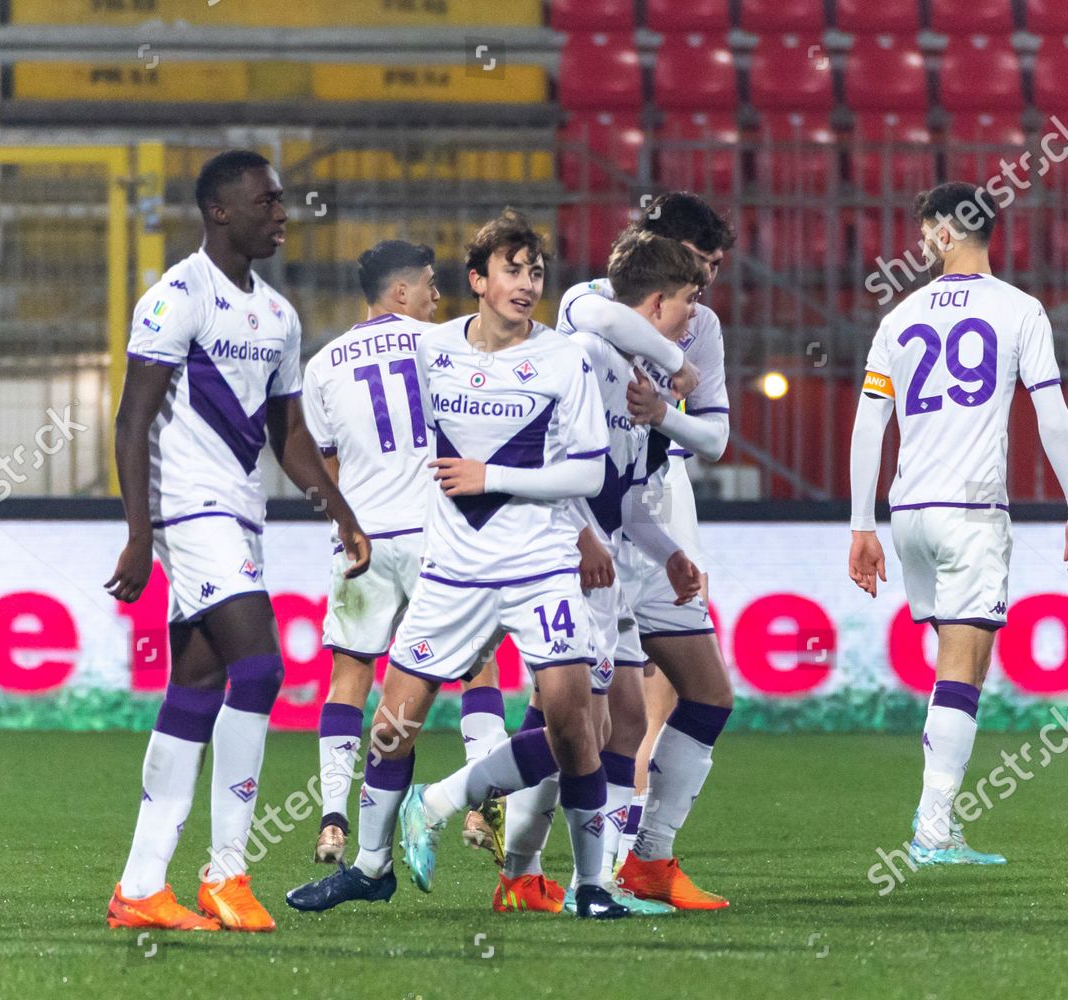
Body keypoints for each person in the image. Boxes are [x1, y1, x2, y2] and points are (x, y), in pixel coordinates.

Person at [286, 209, 684, 920]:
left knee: (571, 727)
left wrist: (490, 475)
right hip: (451, 573)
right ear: (477, 279)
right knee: (391, 726)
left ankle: (592, 887)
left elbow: (587, 474)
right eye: (512, 269)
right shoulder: (432, 348)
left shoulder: (562, 357)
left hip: (539, 570)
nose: (527, 283)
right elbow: (348, 381)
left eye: (535, 272)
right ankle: (372, 867)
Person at [105, 150, 370, 933]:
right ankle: (227, 872)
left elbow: (288, 436)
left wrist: (341, 512)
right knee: (259, 669)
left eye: (283, 200)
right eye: (267, 201)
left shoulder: (280, 316)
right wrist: (137, 534)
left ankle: (141, 887)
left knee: (194, 688)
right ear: (220, 211)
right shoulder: (175, 298)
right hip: (191, 512)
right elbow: (132, 419)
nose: (282, 213)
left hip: (239, 511)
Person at [848, 181, 1068, 866]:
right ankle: (932, 830)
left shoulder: (899, 317)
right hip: (972, 510)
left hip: (907, 512)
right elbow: (1050, 411)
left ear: (939, 232)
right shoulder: (1019, 310)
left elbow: (870, 423)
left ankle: (935, 824)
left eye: (925, 229)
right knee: (963, 669)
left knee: (946, 668)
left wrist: (859, 524)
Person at [496, 231, 705, 915]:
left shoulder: (635, 383)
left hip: (610, 568)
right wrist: (586, 534)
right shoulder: (581, 349)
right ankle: (451, 804)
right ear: (651, 305)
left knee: (615, 722)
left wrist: (668, 551)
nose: (694, 318)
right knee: (579, 731)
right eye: (686, 303)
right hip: (566, 560)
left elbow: (623, 493)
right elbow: (538, 461)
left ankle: (548, 876)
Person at [555, 193, 738, 907]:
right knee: (584, 712)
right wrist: (673, 365)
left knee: (706, 693)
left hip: (649, 505)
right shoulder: (587, 303)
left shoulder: (705, 324)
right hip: (584, 521)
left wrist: (666, 411)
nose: (709, 286)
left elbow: (716, 439)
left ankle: (647, 859)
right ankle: (490, 824)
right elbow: (599, 318)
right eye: (701, 267)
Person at [301, 239, 509, 866]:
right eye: (428, 285)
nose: (437, 295)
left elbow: (325, 467)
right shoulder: (449, 343)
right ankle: (481, 800)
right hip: (439, 539)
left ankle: (334, 818)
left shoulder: (323, 364)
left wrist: (349, 527)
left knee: (350, 676)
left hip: (363, 539)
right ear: (400, 293)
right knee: (477, 667)